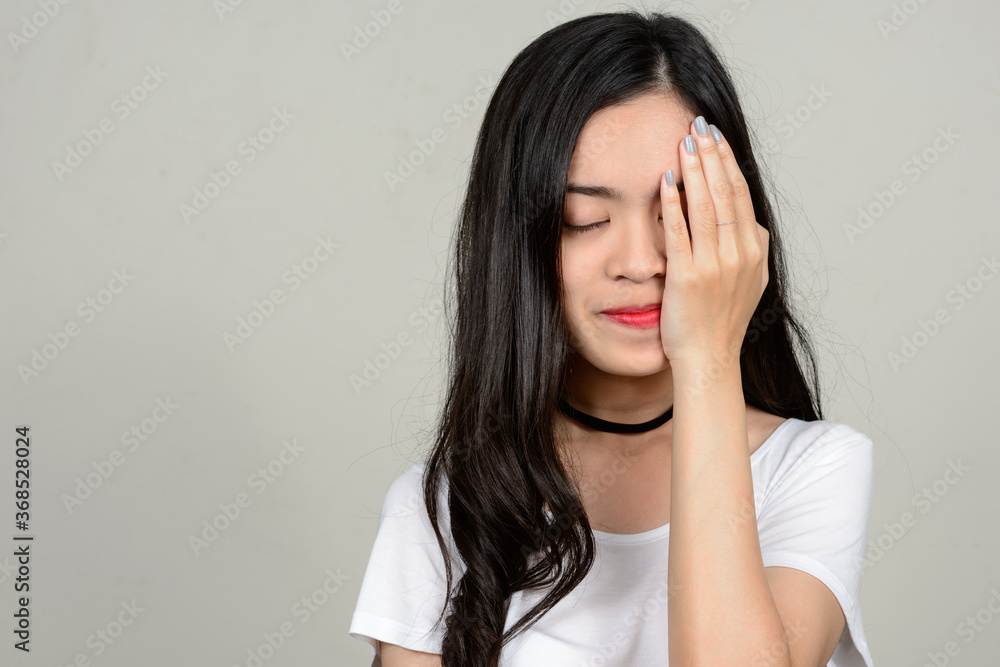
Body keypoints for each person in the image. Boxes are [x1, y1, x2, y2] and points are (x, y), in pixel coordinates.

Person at [349, 9, 875, 667]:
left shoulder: (813, 467)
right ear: (520, 244)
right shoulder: (440, 508)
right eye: (585, 219)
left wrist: (708, 354)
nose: (638, 260)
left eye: (680, 213)